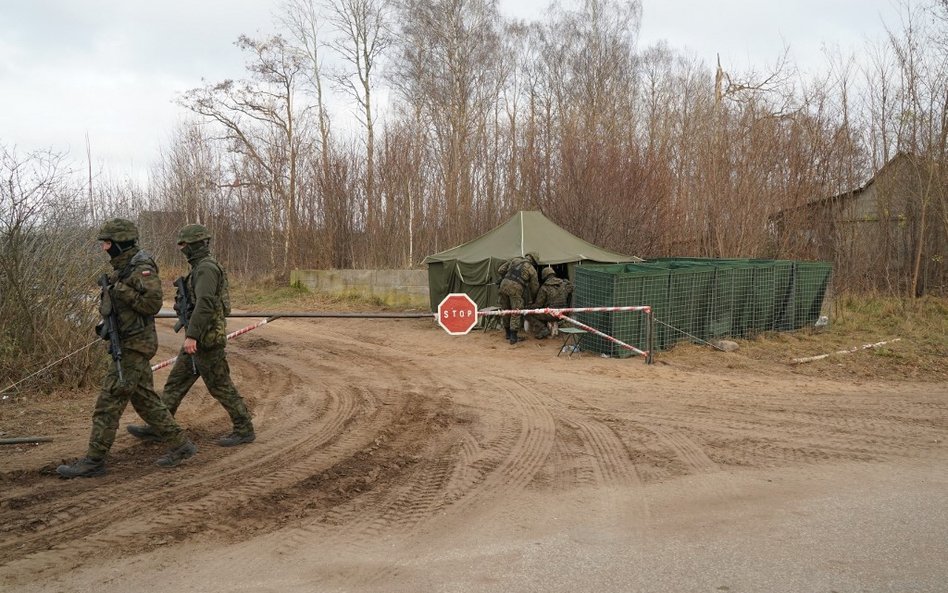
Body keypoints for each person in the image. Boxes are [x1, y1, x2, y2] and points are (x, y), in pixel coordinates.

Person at [57, 218, 197, 478]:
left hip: (134, 346)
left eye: (108, 244)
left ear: (121, 244)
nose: (104, 249)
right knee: (146, 401)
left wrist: (120, 291)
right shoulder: (124, 268)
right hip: (130, 344)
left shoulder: (141, 267)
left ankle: (95, 461)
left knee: (107, 405)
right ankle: (182, 445)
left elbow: (152, 304)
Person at [127, 224, 255, 447]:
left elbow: (205, 304)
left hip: (206, 340)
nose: (182, 248)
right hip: (200, 339)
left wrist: (192, 336)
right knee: (176, 383)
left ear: (195, 244)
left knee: (220, 385)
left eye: (184, 244)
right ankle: (160, 427)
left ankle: (244, 429)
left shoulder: (206, 269)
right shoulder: (199, 268)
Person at [496, 252, 539, 345]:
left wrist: (507, 277)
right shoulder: (531, 269)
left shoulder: (514, 259)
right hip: (516, 288)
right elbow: (534, 286)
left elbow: (500, 270)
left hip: (503, 284)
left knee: (506, 309)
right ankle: (513, 337)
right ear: (533, 261)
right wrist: (533, 297)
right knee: (516, 310)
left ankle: (507, 333)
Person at [527, 267, 573, 339]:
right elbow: (571, 289)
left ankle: (542, 329)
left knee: (527, 314)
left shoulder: (544, 287)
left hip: (551, 314)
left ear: (544, 276)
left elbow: (538, 305)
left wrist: (527, 307)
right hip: (564, 313)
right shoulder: (564, 284)